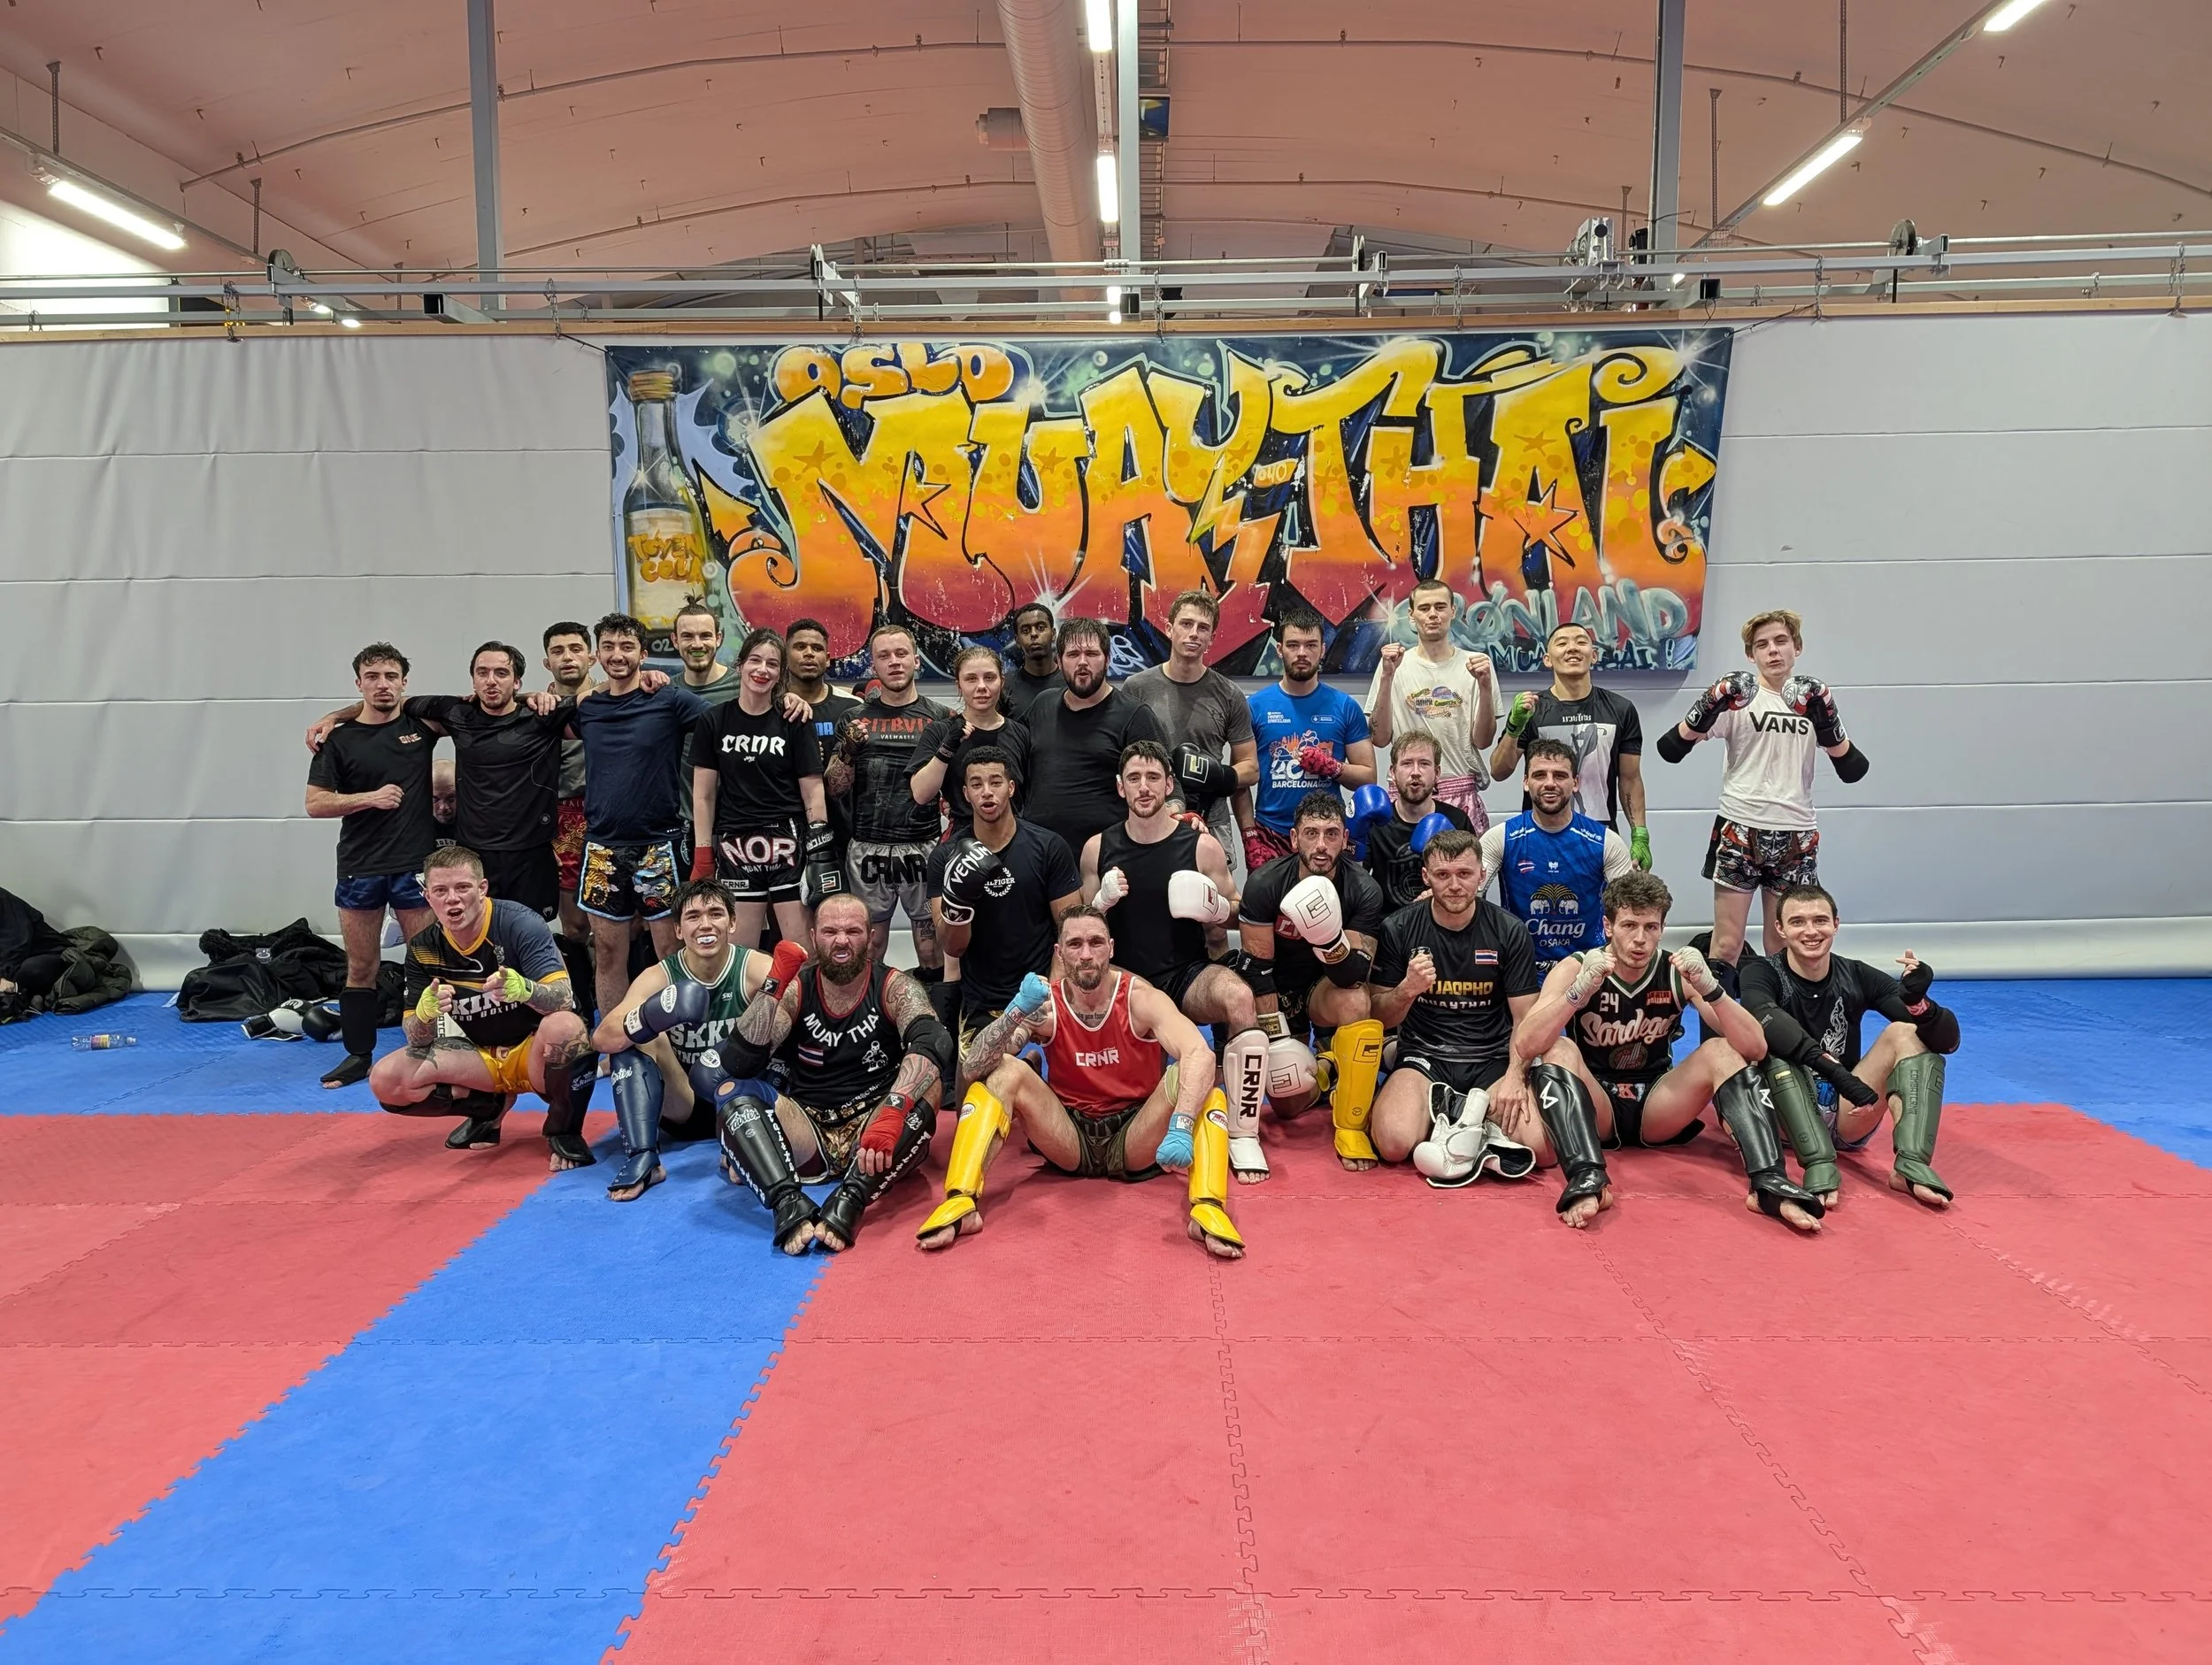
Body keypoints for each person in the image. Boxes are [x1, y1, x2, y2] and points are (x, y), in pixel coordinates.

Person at [917, 907, 1240, 1258]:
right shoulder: (1045, 1006)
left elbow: (1199, 1053)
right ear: (1060, 953)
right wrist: (1014, 1013)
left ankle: (1208, 1208)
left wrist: (1182, 1123)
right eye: (1075, 944)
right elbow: (975, 1067)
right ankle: (961, 1201)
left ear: (1111, 948)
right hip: (1068, 1136)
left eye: (1095, 942)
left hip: (1136, 1136)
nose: (1086, 954)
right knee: (1005, 1071)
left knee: (1199, 1081)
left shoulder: (1142, 999)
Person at [1516, 871, 1824, 1232]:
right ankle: (1588, 1179)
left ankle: (1768, 1182)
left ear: (1662, 928)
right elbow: (1527, 1044)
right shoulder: (1575, 967)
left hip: (1659, 1104)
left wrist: (1711, 989)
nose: (1640, 939)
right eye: (1629, 926)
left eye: (1651, 927)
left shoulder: (1676, 971)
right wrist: (1576, 995)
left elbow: (1755, 1046)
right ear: (1607, 926)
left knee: (1721, 1050)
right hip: (1595, 1106)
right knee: (1558, 1048)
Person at [688, 891, 952, 1252]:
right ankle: (788, 1204)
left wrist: (894, 1108)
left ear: (871, 936)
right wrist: (774, 984)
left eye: (853, 931)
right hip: (808, 1129)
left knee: (928, 1084)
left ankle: (851, 1200)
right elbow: (741, 1061)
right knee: (731, 1093)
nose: (841, 941)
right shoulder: (799, 990)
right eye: (830, 932)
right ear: (814, 937)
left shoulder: (894, 987)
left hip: (874, 1130)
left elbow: (933, 1041)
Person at [1079, 742, 1269, 1179]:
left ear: (1169, 785)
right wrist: (1100, 903)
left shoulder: (1201, 846)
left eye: (1153, 778)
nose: (1143, 788)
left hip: (1186, 974)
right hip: (1126, 983)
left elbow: (1238, 911)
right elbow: (1078, 929)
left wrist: (1216, 908)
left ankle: (1244, 1133)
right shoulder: (1097, 848)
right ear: (1120, 787)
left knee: (1239, 998)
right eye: (1134, 779)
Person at [1655, 609, 1870, 971]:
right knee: (1727, 944)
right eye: (1762, 644)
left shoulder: (1811, 701)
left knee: (1784, 944)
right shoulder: (1739, 698)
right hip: (1741, 826)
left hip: (1796, 831)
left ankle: (1777, 1011)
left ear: (1797, 648)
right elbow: (1670, 749)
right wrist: (1708, 703)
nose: (1773, 650)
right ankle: (1719, 1013)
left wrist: (1827, 718)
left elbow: (1853, 770)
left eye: (1781, 641)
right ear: (1750, 654)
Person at [307, 641, 573, 925]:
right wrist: (334, 716)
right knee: (472, 937)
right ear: (473, 680)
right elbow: (389, 701)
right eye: (482, 673)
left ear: (516, 681)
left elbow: (594, 702)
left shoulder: (543, 716)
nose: (491, 680)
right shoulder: (455, 713)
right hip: (468, 854)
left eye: (501, 673)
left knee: (529, 936)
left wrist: (529, 697)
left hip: (529, 854)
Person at [369, 845, 600, 1171]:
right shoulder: (423, 948)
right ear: (427, 896)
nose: (452, 899)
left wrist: (526, 990)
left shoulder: (519, 923)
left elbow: (565, 999)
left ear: (482, 889)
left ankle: (564, 1129)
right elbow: (417, 1039)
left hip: (534, 1051)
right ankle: (488, 1106)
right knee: (386, 1079)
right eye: (441, 890)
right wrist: (424, 1015)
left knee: (567, 1028)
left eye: (462, 887)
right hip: (479, 1057)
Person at [1738, 885, 1961, 1210]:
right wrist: (1840, 1075)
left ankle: (1911, 1164)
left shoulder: (1855, 973)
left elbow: (1948, 1042)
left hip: (1850, 1111)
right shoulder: (1761, 972)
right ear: (1780, 929)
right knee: (1772, 1047)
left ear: (1836, 925)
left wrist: (1919, 1004)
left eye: (1820, 920)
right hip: (1784, 1115)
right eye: (1798, 922)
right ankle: (1817, 1163)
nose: (1810, 931)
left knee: (1905, 1032)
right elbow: (1762, 1016)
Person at [1366, 827, 1548, 1188]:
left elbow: (1525, 1019)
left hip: (1491, 1058)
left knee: (1542, 1150)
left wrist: (1515, 1076)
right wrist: (1407, 990)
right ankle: (1472, 1127)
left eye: (1464, 874)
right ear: (1425, 876)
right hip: (1424, 1056)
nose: (1454, 885)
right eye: (1442, 875)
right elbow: (1378, 1016)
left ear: (1482, 875)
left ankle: (1456, 1126)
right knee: (1392, 1143)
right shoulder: (1399, 928)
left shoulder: (1508, 931)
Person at [304, 642, 440, 1089]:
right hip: (360, 866)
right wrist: (370, 798)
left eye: (391, 676)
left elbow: (479, 704)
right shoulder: (338, 740)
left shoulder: (421, 726)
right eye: (373, 677)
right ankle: (358, 1056)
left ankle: (431, 1052)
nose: (383, 684)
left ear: (404, 682)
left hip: (414, 864)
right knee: (361, 965)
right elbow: (315, 804)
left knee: (426, 964)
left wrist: (335, 712)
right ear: (358, 683)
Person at [569, 612, 713, 1014]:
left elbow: (727, 719)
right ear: (597, 655)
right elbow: (535, 710)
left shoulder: (668, 698)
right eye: (609, 647)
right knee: (608, 951)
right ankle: (615, 1037)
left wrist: (785, 699)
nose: (617, 655)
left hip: (658, 844)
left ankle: (679, 1034)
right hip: (603, 846)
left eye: (627, 646)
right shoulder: (587, 706)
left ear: (643, 654)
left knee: (669, 948)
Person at [592, 878, 771, 1200]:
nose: (705, 925)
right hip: (683, 1101)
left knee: (777, 1015)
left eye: (715, 914)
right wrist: (648, 1018)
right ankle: (643, 1158)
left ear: (732, 922)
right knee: (634, 1038)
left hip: (741, 1100)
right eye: (693, 916)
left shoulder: (754, 968)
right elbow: (602, 1038)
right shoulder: (660, 976)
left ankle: (749, 1139)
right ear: (678, 929)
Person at [1235, 791, 1387, 1170]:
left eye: (1331, 834)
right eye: (1311, 833)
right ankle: (1327, 1068)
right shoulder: (1265, 883)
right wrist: (1278, 1040)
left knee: (1356, 1001)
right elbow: (1257, 971)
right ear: (1294, 838)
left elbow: (1355, 975)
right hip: (1278, 991)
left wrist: (1329, 939)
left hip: (1326, 987)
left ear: (1345, 839)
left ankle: (1351, 1126)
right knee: (1287, 1106)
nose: (1321, 845)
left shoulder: (1363, 890)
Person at [926, 746, 1084, 1052]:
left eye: (995, 782)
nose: (987, 792)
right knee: (982, 1077)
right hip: (981, 1003)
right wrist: (959, 901)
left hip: (1042, 996)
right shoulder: (945, 858)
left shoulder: (1049, 847)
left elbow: (1072, 933)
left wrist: (1051, 995)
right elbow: (952, 947)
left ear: (1011, 788)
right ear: (966, 794)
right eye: (977, 784)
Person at [689, 628, 834, 953]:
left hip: (787, 839)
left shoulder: (794, 719)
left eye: (772, 664)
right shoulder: (714, 720)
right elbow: (703, 795)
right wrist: (703, 852)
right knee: (739, 953)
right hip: (735, 842)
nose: (762, 670)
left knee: (802, 951)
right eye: (755, 660)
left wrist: (820, 849)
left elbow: (813, 790)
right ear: (740, 665)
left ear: (781, 673)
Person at [830, 622, 950, 979]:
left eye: (901, 654)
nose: (894, 662)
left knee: (930, 948)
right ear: (874, 665)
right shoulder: (854, 718)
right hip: (869, 846)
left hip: (923, 844)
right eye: (884, 656)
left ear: (916, 660)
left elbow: (953, 784)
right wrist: (848, 751)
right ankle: (871, 1010)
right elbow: (835, 788)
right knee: (870, 945)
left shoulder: (940, 717)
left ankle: (930, 1011)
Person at [1489, 621, 1649, 866]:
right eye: (1562, 643)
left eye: (1581, 642)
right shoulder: (1532, 708)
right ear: (1547, 659)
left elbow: (1631, 778)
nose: (1572, 648)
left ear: (1594, 655)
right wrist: (1514, 727)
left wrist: (1640, 835)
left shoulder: (1621, 709)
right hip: (1540, 836)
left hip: (1600, 835)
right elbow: (1499, 771)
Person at [1479, 738, 1635, 975]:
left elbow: (1630, 910)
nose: (1550, 783)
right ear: (1526, 782)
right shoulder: (1499, 838)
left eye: (1560, 776)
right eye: (1540, 775)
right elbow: (1470, 894)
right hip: (1522, 971)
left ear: (1576, 783)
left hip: (1588, 969)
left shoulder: (1606, 841)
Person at [1123, 589, 1259, 857]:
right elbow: (1122, 757)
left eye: (1203, 628)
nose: (1194, 633)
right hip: (1150, 820)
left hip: (1211, 821)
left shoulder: (1229, 694)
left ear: (1212, 638)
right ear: (1169, 628)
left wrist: (1215, 775)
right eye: (1186, 624)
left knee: (1215, 886)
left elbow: (1251, 768)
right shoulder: (1136, 688)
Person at [1019, 618, 1167, 856]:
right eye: (1073, 654)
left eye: (1091, 653)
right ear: (1059, 661)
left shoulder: (1134, 715)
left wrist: (1178, 811)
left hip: (1109, 856)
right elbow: (1010, 755)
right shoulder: (1042, 704)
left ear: (1107, 659)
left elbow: (1164, 779)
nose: (1082, 662)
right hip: (1042, 855)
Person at [1242, 607, 1376, 872]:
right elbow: (1241, 779)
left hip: (1326, 835)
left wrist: (1332, 767)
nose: (1302, 653)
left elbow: (1368, 777)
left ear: (1322, 650)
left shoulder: (1345, 706)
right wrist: (1249, 835)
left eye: (1311, 645)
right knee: (1267, 901)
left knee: (1327, 900)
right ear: (1279, 649)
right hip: (1271, 833)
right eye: (1293, 645)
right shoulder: (1255, 707)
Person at [1365, 577, 1498, 832]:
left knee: (1462, 859)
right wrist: (1387, 676)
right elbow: (1379, 739)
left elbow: (1483, 741)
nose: (1433, 615)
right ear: (1411, 615)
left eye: (1440, 607)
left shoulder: (1476, 664)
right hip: (1407, 795)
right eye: (1425, 608)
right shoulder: (1394, 666)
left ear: (1453, 611)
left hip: (1459, 790)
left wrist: (1485, 686)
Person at [785, 617, 862, 935]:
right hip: (785, 836)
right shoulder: (768, 706)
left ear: (828, 658)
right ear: (786, 653)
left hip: (841, 835)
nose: (808, 653)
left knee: (838, 928)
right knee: (789, 934)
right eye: (800, 647)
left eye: (817, 648)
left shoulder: (852, 707)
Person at [906, 645, 1033, 828]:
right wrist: (946, 749)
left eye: (989, 678)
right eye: (971, 679)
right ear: (959, 685)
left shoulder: (1020, 733)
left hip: (1013, 834)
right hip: (962, 836)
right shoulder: (940, 731)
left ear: (1002, 681)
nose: (981, 687)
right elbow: (921, 795)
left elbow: (1031, 795)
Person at [541, 621, 600, 997]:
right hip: (561, 820)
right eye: (558, 651)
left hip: (609, 815)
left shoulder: (612, 697)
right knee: (576, 927)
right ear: (547, 662)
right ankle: (582, 1005)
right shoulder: (536, 708)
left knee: (630, 923)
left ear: (591, 657)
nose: (567, 657)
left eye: (576, 649)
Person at [1358, 729, 1473, 911]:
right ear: (1393, 772)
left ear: (1437, 773)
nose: (1415, 772)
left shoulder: (1457, 820)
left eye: (1424, 764)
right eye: (1407, 763)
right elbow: (1355, 880)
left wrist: (1438, 894)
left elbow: (1471, 880)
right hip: (1388, 922)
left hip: (1442, 918)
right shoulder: (1375, 821)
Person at [1002, 600, 1064, 714]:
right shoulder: (1005, 687)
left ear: (1053, 634)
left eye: (1041, 627)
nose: (1034, 634)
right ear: (1017, 640)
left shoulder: (1071, 683)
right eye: (1026, 630)